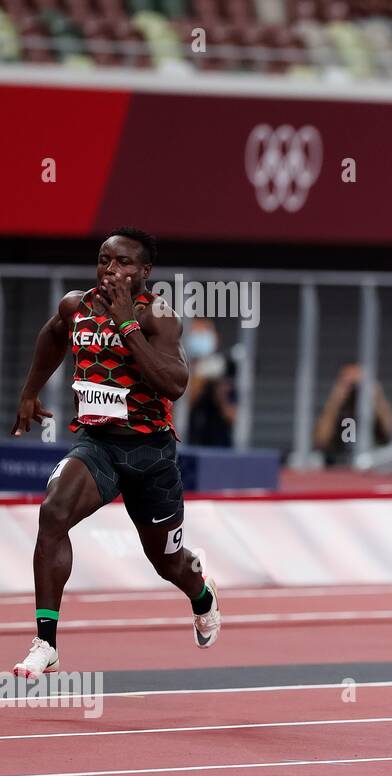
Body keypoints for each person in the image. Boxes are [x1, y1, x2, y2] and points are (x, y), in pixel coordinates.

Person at [9, 228, 220, 678]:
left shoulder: (158, 316)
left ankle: (201, 593)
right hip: (98, 445)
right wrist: (29, 392)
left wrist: (126, 324)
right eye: (105, 260)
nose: (111, 270)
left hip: (151, 455)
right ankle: (46, 643)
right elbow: (53, 335)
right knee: (53, 512)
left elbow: (175, 384)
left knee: (167, 563)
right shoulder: (76, 305)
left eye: (124, 263)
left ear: (145, 272)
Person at [312, 363, 392, 465]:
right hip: (338, 465)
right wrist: (335, 400)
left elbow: (390, 431)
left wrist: (376, 396)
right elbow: (321, 441)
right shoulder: (335, 411)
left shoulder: (374, 411)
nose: (354, 390)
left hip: (372, 465)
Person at [183, 316, 237, 447]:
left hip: (219, 447)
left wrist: (219, 391)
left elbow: (232, 417)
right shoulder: (179, 369)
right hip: (188, 446)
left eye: (205, 333)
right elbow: (177, 414)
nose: (201, 338)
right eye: (197, 333)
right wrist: (197, 381)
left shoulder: (224, 371)